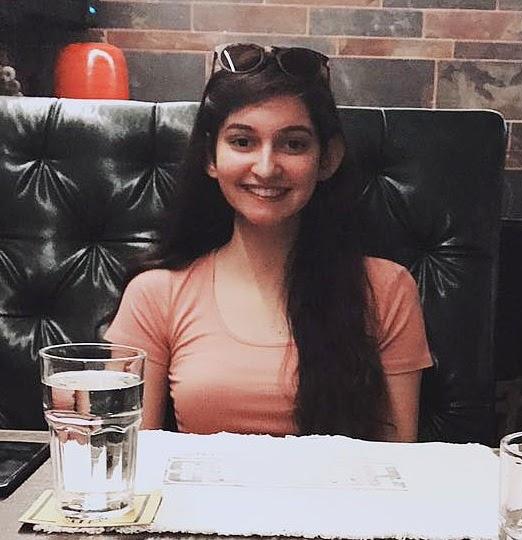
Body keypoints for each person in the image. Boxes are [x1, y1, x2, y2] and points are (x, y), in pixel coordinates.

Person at [105, 43, 432, 442]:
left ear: (327, 159)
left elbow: (399, 458)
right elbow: (130, 454)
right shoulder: (156, 294)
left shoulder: (387, 290)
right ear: (210, 157)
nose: (265, 168)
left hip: (341, 486)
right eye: (242, 142)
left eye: (294, 144)